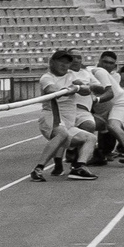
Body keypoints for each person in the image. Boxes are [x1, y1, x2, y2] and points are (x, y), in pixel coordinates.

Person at [33, 49, 99, 183]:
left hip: (68, 123)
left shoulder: (71, 75)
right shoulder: (47, 77)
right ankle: (38, 169)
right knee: (61, 134)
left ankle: (79, 167)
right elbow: (52, 91)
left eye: (67, 63)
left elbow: (86, 90)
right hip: (52, 118)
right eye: (60, 62)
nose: (64, 65)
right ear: (52, 62)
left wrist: (79, 88)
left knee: (90, 138)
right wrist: (69, 90)